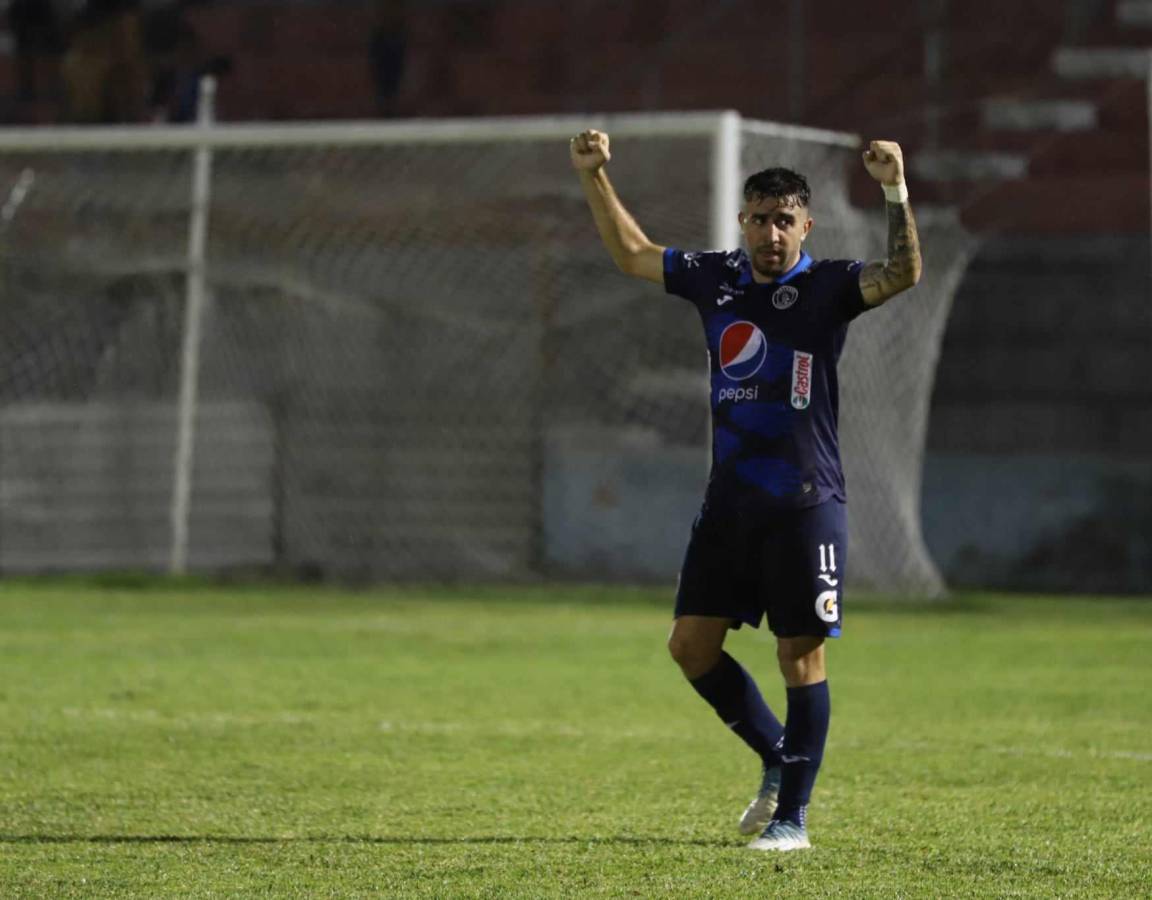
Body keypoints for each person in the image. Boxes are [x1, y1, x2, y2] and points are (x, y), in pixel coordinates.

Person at [570, 129, 922, 851]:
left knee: (801, 657)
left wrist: (894, 189)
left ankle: (792, 819)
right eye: (760, 218)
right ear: (743, 221)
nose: (771, 232)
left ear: (806, 225)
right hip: (729, 504)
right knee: (689, 647)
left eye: (785, 219)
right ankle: (774, 755)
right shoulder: (715, 276)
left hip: (805, 500)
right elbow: (633, 253)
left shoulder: (828, 287)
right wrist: (593, 175)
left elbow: (904, 273)